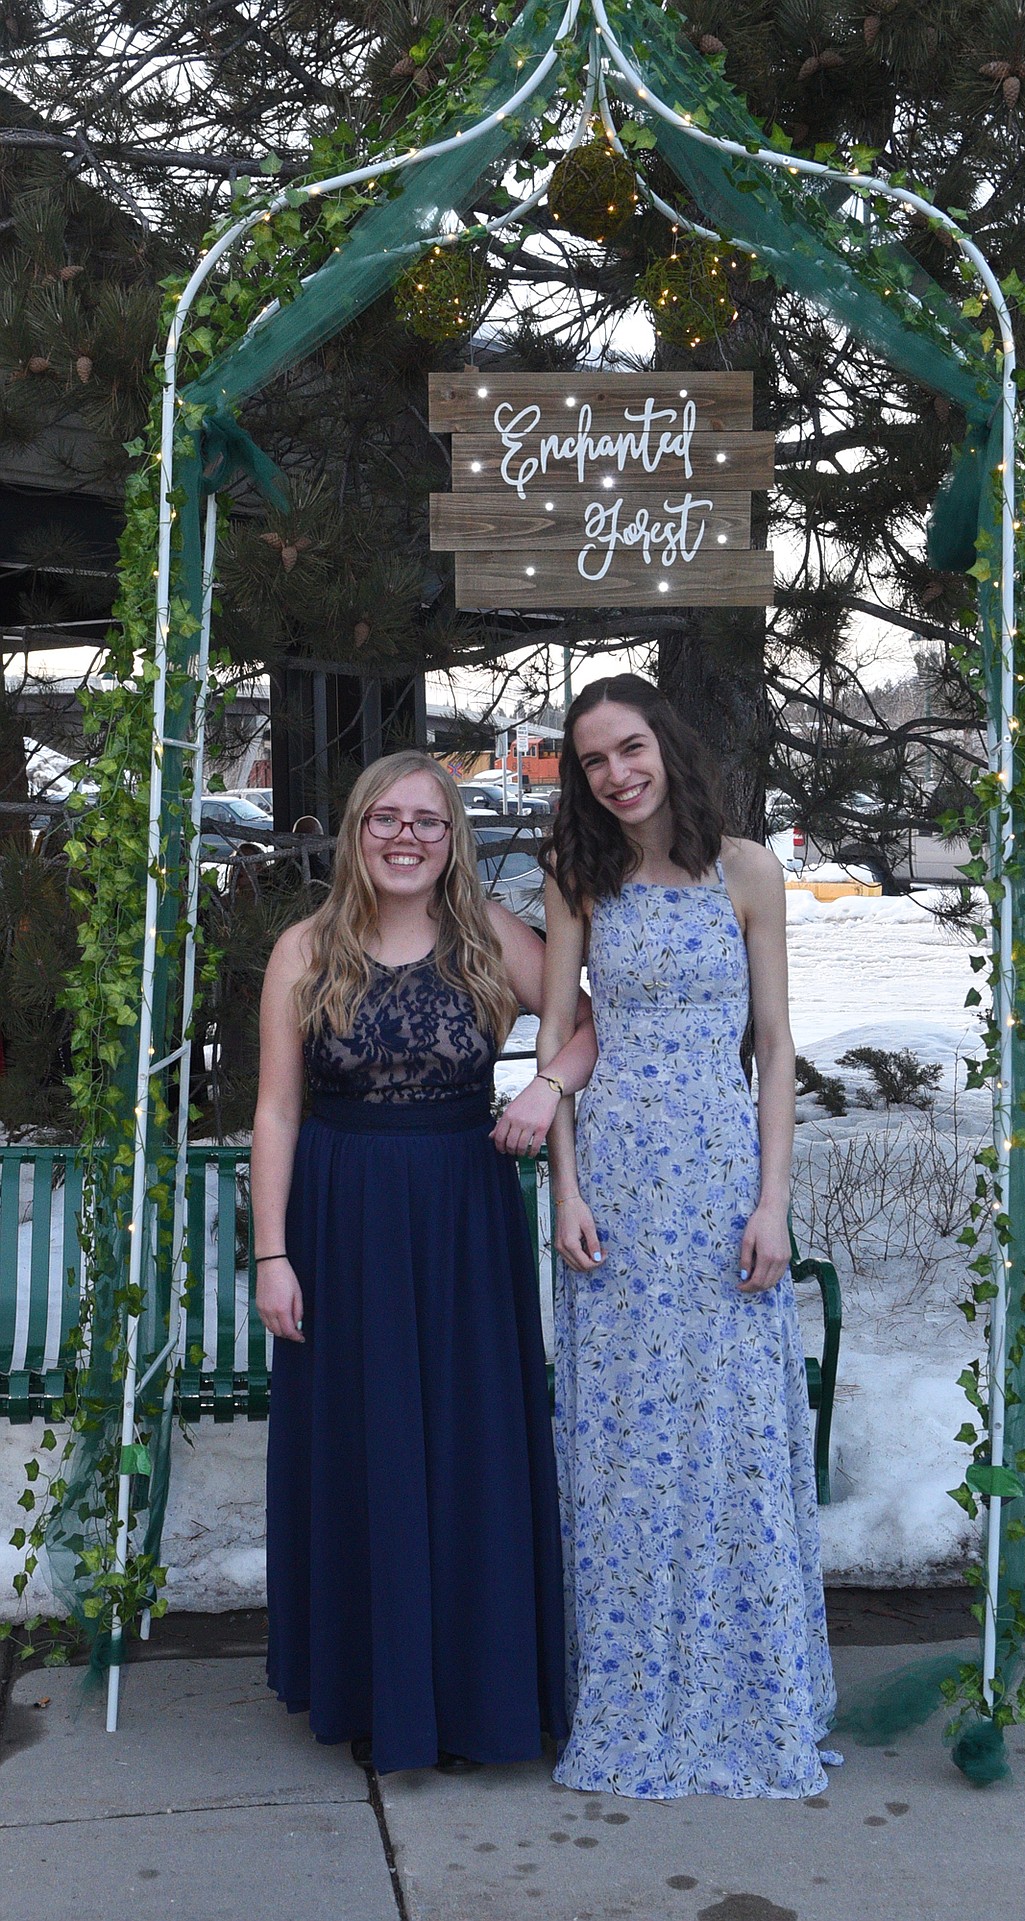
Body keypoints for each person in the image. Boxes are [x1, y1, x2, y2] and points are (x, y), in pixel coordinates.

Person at [252, 749, 596, 1774]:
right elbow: (274, 1109)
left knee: (468, 1448)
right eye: (386, 819)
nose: (406, 837)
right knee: (366, 1449)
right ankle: (373, 1689)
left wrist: (547, 1088)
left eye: (429, 821)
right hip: (341, 1217)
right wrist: (272, 1252)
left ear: (455, 838)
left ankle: (475, 1694)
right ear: (357, 832)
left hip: (462, 1215)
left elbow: (588, 1024)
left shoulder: (490, 935)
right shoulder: (306, 950)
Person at [537, 675, 837, 1800]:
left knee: (732, 1433)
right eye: (594, 762)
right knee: (623, 1445)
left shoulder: (748, 868)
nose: (616, 775)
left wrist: (773, 1202)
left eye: (629, 749)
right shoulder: (582, 875)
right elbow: (562, 1039)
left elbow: (772, 1044)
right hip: (614, 1183)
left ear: (666, 741)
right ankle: (628, 1690)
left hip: (718, 1182)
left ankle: (746, 1690)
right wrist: (564, 1190)